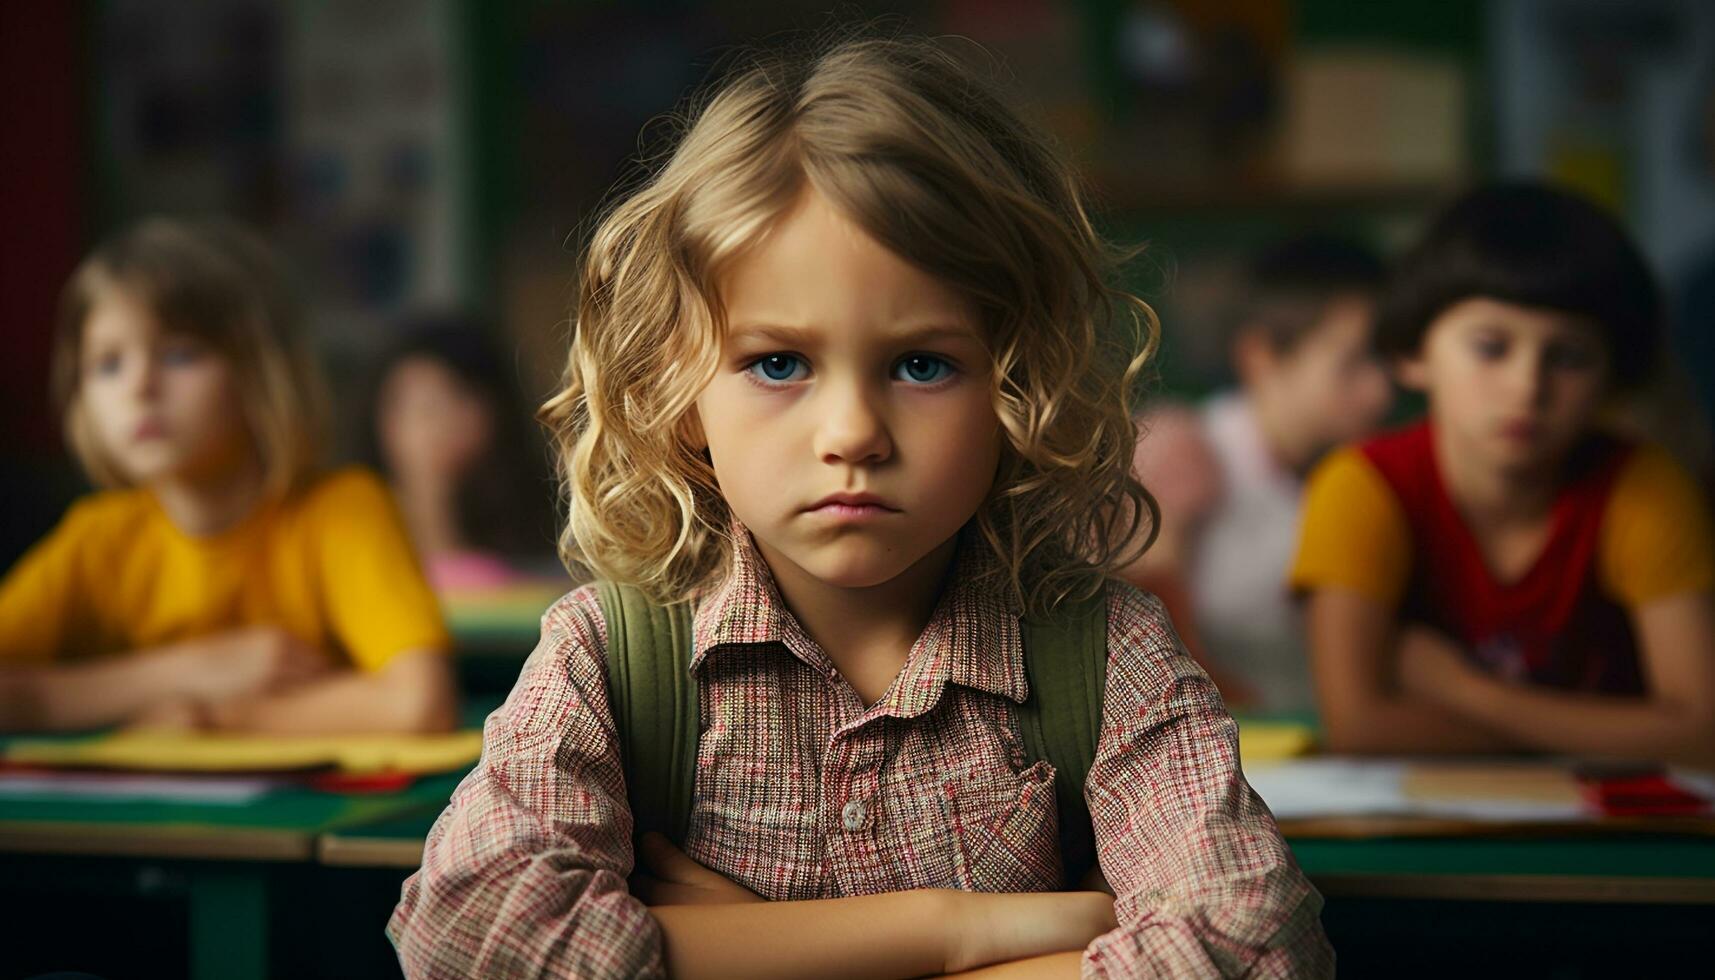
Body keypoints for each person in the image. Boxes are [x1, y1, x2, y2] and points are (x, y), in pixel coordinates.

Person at [388, 35, 1328, 979]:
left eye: (920, 364)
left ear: (1018, 385)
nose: (851, 433)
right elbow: (472, 936)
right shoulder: (611, 656)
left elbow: (1249, 951)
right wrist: (955, 932)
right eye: (778, 364)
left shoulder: (1108, 656)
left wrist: (742, 955)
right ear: (679, 393)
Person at [1290, 182, 1715, 766]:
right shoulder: (1361, 486)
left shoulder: (1643, 488)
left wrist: (1468, 692)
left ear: (1613, 379)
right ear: (1413, 355)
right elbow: (1358, 727)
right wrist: (1607, 733)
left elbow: (1700, 734)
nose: (1527, 388)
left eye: (1568, 358)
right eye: (1491, 347)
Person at [0, 218, 457, 734]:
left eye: (179, 354)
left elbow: (421, 705)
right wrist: (189, 670)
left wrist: (212, 716)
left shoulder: (342, 510)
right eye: (108, 364)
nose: (139, 387)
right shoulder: (96, 539)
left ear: (260, 375)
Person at [1123, 235, 1391, 710]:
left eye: (1388, 362)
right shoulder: (1185, 450)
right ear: (1260, 354)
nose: (1381, 393)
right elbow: (1143, 646)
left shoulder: (1363, 475)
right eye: (1353, 362)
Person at [365, 314, 554, 593]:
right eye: (420, 408)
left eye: (455, 400)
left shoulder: (544, 520)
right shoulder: (360, 527)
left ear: (496, 413)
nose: (436, 426)